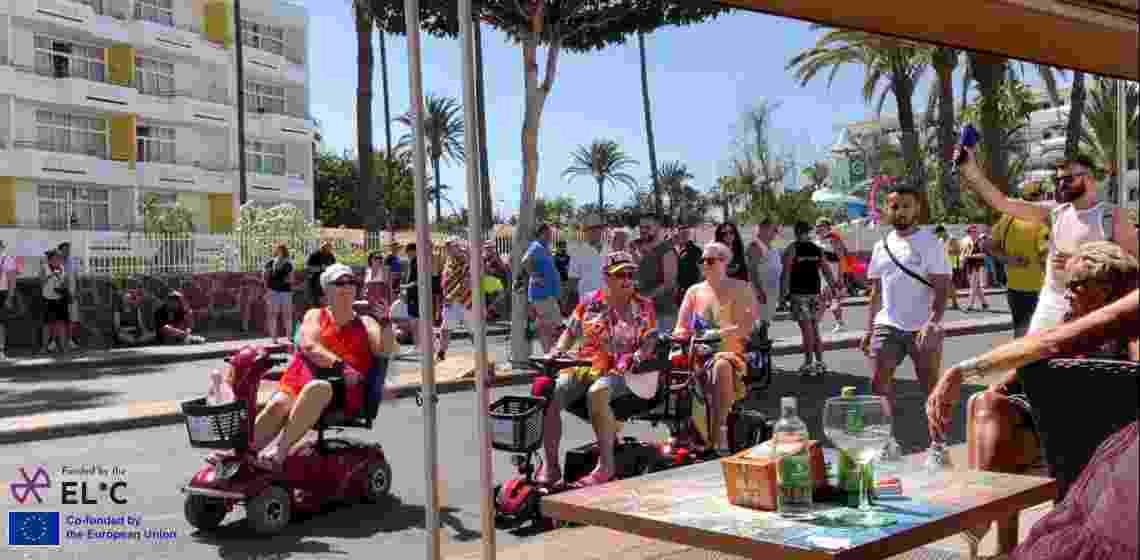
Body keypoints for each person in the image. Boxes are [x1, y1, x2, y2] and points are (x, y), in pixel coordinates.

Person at [958, 147, 1139, 334]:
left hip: (1094, 306)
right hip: (1052, 302)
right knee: (1033, 351)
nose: (1061, 184)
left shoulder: (1112, 217)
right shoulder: (1055, 213)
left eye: (1068, 179)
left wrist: (1079, 263)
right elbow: (1002, 203)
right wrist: (971, 169)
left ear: (1090, 179)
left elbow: (1134, 266)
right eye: (1058, 180)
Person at [253, 263, 395, 471]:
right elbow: (308, 345)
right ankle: (242, 455)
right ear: (326, 289)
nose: (347, 287)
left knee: (317, 388)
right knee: (278, 404)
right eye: (340, 283)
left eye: (350, 282)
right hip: (303, 378)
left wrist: (385, 323)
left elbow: (384, 350)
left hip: (343, 390)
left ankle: (278, 454)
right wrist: (341, 366)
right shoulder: (315, 315)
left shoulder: (366, 322)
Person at [536, 251, 657, 487]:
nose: (627, 280)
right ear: (606, 277)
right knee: (552, 393)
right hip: (587, 364)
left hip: (625, 370)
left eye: (630, 274)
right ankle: (551, 467)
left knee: (598, 392)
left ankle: (606, 466)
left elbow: (650, 339)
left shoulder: (643, 305)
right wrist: (557, 351)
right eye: (620, 274)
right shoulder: (589, 302)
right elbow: (570, 333)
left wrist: (639, 355)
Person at [860, 183, 950, 459]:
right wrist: (868, 330)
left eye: (906, 206)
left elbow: (942, 288)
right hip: (887, 324)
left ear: (917, 209)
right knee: (879, 384)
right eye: (895, 206)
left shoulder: (931, 243)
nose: (900, 211)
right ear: (887, 209)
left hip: (923, 326)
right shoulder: (881, 246)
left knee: (931, 389)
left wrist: (933, 322)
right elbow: (876, 292)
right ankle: (887, 442)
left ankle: (938, 445)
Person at [673, 242, 759, 451]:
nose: (704, 264)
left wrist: (718, 334)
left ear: (724, 262)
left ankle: (720, 431)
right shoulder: (694, 291)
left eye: (710, 260)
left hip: (731, 352)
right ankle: (683, 431)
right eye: (702, 260)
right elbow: (680, 327)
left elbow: (747, 326)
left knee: (721, 365)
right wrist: (684, 335)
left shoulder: (741, 288)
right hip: (697, 352)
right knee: (670, 367)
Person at [986, 182, 1050, 338]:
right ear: (1040, 197)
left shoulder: (1007, 219)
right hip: (1039, 289)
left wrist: (1009, 260)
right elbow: (1045, 258)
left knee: (1020, 332)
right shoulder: (1041, 221)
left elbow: (988, 246)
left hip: (1014, 288)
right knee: (1040, 336)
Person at [782, 221, 840, 375]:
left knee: (806, 330)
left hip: (798, 294)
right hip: (815, 294)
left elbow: (786, 273)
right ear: (808, 232)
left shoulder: (792, 248)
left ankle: (808, 363)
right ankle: (819, 362)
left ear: (796, 232)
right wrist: (834, 288)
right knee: (814, 328)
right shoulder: (817, 249)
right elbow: (827, 271)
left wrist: (782, 296)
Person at [516, 223, 562, 352]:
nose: (550, 236)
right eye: (548, 233)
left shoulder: (544, 248)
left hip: (548, 294)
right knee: (551, 324)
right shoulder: (536, 246)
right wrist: (534, 276)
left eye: (550, 234)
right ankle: (548, 350)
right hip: (541, 293)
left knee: (552, 323)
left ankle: (533, 326)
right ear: (541, 233)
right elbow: (525, 261)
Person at [634, 215, 679, 335]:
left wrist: (646, 297)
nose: (643, 230)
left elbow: (669, 284)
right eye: (641, 227)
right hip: (646, 314)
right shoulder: (644, 251)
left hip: (664, 315)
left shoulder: (667, 250)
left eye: (647, 227)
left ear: (657, 228)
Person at [437, 238, 475, 361]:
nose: (448, 249)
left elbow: (466, 282)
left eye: (451, 246)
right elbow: (446, 279)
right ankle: (441, 353)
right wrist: (446, 295)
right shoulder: (449, 261)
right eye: (447, 246)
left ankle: (481, 355)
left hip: (465, 301)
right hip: (450, 302)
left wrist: (451, 295)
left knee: (474, 331)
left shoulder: (466, 261)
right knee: (445, 329)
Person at [746, 217, 781, 332]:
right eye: (773, 229)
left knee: (764, 325)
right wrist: (759, 291)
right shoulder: (755, 246)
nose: (776, 232)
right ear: (763, 229)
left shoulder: (772, 247)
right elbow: (752, 271)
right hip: (760, 294)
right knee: (757, 327)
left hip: (770, 294)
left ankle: (762, 340)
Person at [814, 218, 848, 332]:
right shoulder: (816, 241)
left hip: (832, 275)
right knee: (824, 300)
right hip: (821, 276)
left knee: (827, 299)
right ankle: (837, 323)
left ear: (828, 227)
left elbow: (841, 259)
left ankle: (817, 325)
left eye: (821, 225)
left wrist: (840, 277)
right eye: (817, 226)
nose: (818, 228)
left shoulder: (833, 240)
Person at [568, 214, 606, 306]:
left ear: (601, 230)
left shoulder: (609, 250)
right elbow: (573, 280)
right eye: (591, 229)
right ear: (586, 232)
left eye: (597, 228)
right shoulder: (577, 252)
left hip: (606, 300)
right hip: (587, 302)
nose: (594, 231)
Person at [41, 250, 71, 354]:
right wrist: (51, 275)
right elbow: (41, 281)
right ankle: (44, 347)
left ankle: (63, 347)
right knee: (47, 324)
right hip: (48, 299)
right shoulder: (45, 267)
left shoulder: (62, 268)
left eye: (59, 258)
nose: (58, 259)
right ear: (50, 259)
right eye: (56, 258)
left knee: (61, 324)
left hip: (60, 298)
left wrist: (63, 286)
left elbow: (65, 282)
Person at [264, 243, 295, 346]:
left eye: (282, 250)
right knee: (273, 314)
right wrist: (267, 289)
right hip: (273, 291)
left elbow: (292, 279)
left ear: (284, 251)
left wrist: (287, 280)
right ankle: (274, 338)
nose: (280, 252)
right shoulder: (270, 262)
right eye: (278, 249)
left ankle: (289, 336)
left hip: (285, 291)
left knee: (287, 314)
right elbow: (265, 276)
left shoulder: (288, 264)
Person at [961, 225, 990, 311]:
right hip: (969, 266)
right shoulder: (967, 242)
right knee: (976, 286)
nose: (973, 233)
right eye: (971, 232)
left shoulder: (981, 241)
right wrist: (963, 259)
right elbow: (964, 253)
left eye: (975, 231)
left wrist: (969, 256)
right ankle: (985, 303)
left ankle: (970, 305)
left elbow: (984, 255)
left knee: (973, 286)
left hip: (978, 266)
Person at [934, 225, 961, 311]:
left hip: (950, 264)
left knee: (949, 283)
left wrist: (948, 252)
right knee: (944, 284)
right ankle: (951, 303)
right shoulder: (940, 240)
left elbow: (958, 251)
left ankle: (954, 303)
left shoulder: (952, 239)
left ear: (943, 232)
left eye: (938, 234)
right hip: (941, 264)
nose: (937, 235)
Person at [674, 226, 702, 307]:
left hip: (691, 287)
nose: (684, 236)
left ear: (689, 235)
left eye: (686, 234)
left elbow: (701, 268)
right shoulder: (675, 248)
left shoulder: (696, 250)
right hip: (678, 288)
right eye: (682, 234)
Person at [0, 240, 18, 361]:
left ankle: (0, 351)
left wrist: (9, 298)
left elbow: (12, 280)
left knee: (1, 324)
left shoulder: (7, 259)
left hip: (2, 292)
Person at [306, 242, 336, 309]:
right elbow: (308, 268)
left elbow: (334, 267)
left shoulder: (331, 256)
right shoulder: (314, 255)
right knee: (316, 303)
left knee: (326, 302)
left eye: (330, 248)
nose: (328, 250)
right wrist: (320, 268)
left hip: (327, 282)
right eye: (326, 247)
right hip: (315, 282)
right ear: (322, 247)